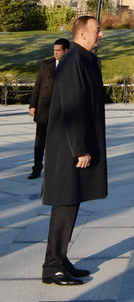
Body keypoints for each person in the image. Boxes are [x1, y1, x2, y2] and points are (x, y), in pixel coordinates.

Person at [41, 15, 107, 286]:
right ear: (82, 34)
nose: (100, 35)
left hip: (74, 146)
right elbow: (71, 109)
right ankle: (52, 266)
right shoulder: (74, 63)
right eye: (97, 31)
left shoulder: (83, 61)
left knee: (72, 202)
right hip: (69, 148)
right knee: (65, 204)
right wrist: (80, 149)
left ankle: (61, 258)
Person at [27, 38, 70, 179]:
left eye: (58, 50)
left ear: (66, 51)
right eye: (54, 50)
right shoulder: (47, 64)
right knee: (39, 143)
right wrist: (33, 105)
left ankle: (57, 169)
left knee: (58, 143)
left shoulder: (71, 66)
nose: (55, 53)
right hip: (44, 109)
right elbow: (38, 86)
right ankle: (36, 168)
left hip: (61, 111)